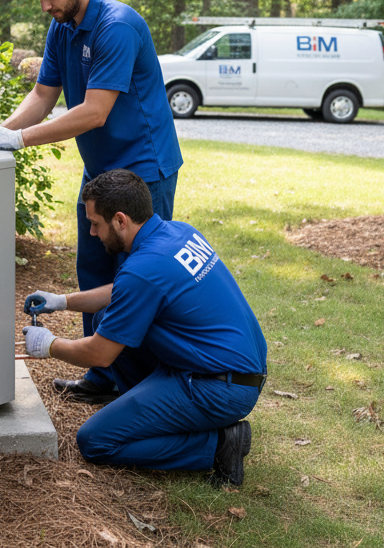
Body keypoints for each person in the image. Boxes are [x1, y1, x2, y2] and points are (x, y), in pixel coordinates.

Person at [0, 0, 183, 403]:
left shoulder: (117, 26)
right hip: (101, 170)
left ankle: (145, 385)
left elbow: (94, 112)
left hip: (145, 169)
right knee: (92, 265)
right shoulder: (62, 28)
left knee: (135, 276)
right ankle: (102, 376)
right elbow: (44, 96)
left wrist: (20, 140)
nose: (46, 7)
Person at [21, 169, 267, 486]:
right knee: (104, 317)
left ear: (121, 220)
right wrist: (62, 301)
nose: (92, 233)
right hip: (235, 368)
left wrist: (49, 344)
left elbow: (100, 354)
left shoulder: (143, 270)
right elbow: (126, 291)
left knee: (95, 441)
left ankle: (220, 444)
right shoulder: (177, 233)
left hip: (218, 387)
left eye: (95, 223)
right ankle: (151, 413)